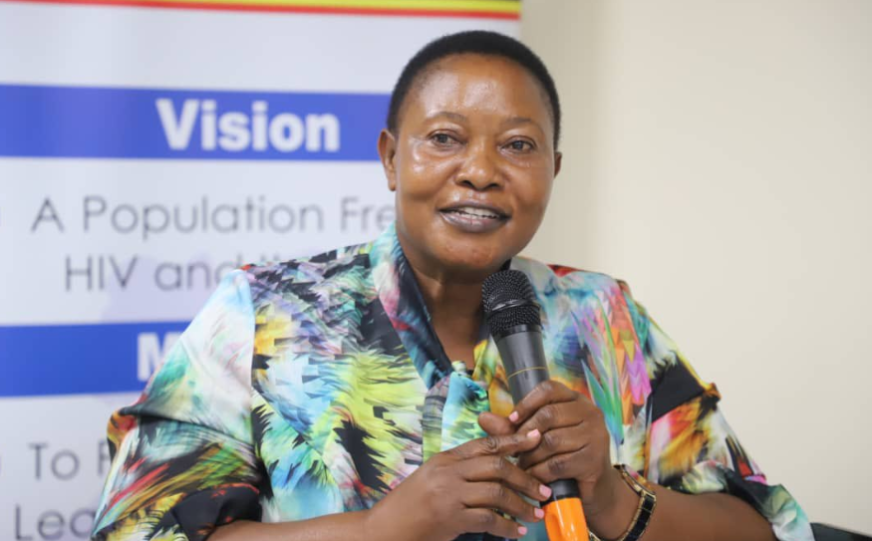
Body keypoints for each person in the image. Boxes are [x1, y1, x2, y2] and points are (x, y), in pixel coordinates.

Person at [92, 31, 812, 541]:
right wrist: (381, 529)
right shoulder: (265, 312)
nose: (481, 171)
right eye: (444, 138)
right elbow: (138, 530)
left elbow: (766, 528)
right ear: (391, 158)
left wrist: (615, 498)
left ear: (553, 170)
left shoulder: (603, 315)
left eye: (518, 145)